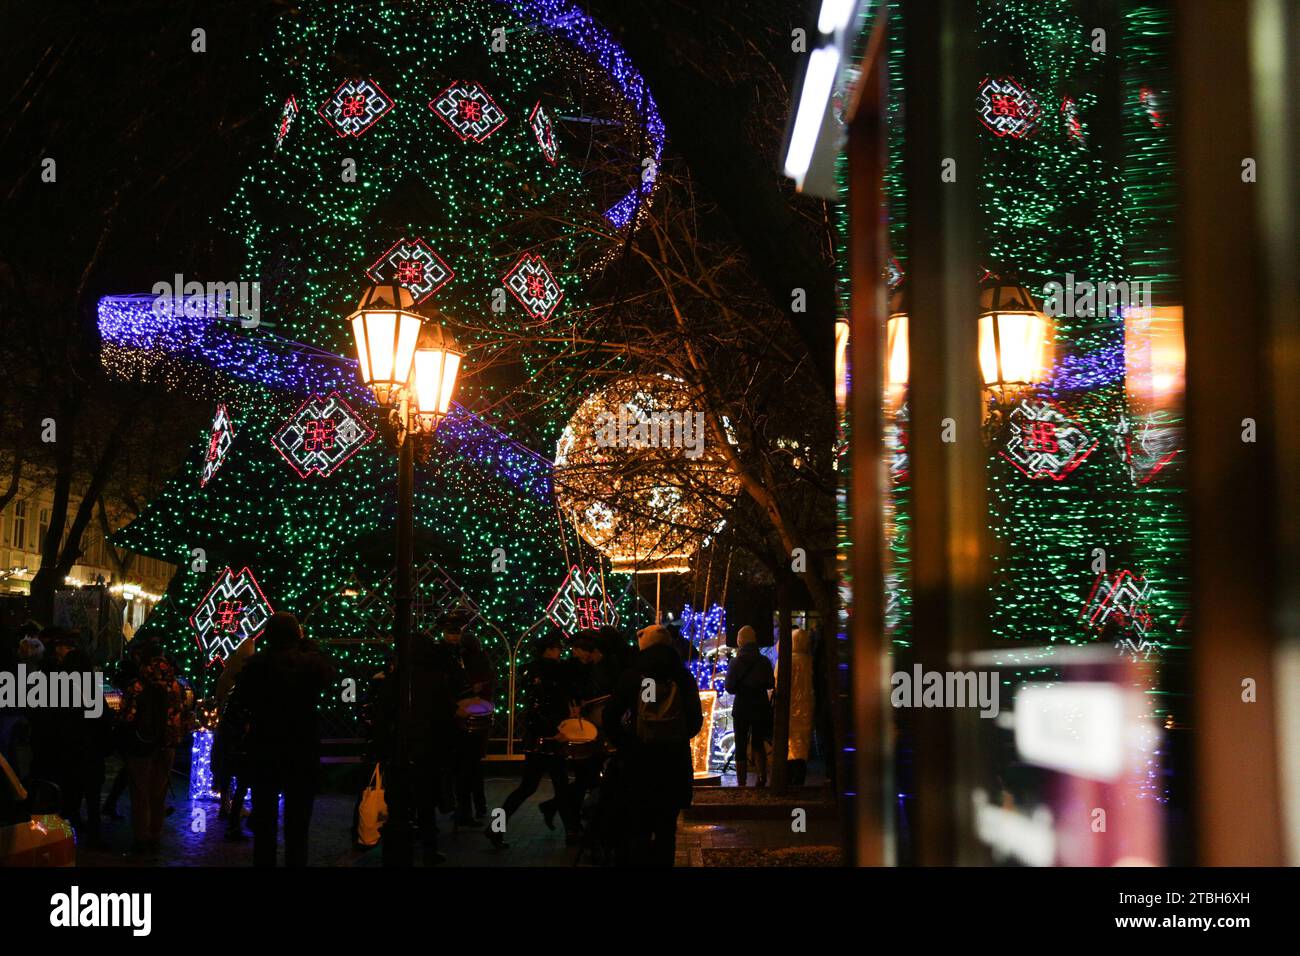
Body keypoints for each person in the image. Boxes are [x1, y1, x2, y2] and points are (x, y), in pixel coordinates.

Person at [236, 612, 336, 867]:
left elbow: (242, 701)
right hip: (302, 748)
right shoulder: (311, 664)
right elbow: (327, 673)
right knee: (298, 826)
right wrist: (308, 646)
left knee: (265, 826)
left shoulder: (257, 665)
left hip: (265, 748)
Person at [604, 624, 703, 867]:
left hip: (638, 764)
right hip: (673, 763)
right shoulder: (682, 676)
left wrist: (626, 742)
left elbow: (610, 716)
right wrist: (676, 736)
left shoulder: (633, 675)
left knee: (638, 828)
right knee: (667, 831)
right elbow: (696, 720)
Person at [486, 634, 578, 848]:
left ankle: (496, 827)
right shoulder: (553, 671)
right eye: (556, 648)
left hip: (537, 735)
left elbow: (535, 705)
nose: (560, 652)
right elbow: (543, 704)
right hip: (550, 735)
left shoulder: (533, 670)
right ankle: (572, 831)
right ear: (548, 650)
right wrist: (557, 727)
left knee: (528, 787)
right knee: (558, 785)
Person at [119, 640, 187, 855]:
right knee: (159, 792)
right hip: (167, 742)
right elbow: (181, 712)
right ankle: (155, 836)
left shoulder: (138, 685)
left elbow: (128, 715)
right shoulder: (176, 685)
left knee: (140, 791)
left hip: (142, 743)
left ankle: (141, 837)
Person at [440, 614, 495, 827]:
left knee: (463, 767)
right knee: (471, 766)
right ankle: (475, 808)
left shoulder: (455, 659)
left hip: (461, 717)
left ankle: (464, 809)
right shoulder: (476, 660)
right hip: (472, 716)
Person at [213, 636, 256, 840]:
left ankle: (226, 806)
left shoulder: (227, 674)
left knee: (227, 771)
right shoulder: (242, 682)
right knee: (240, 775)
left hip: (227, 732)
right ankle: (233, 816)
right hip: (237, 736)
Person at [725, 625, 774, 787]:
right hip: (760, 706)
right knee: (758, 742)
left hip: (742, 707)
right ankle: (762, 777)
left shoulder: (735, 662)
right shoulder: (764, 661)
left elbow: (729, 688)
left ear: (740, 641)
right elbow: (770, 684)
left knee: (740, 743)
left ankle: (741, 781)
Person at [777, 628, 815, 786]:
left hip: (787, 706)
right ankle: (800, 775)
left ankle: (788, 775)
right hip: (806, 707)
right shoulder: (809, 661)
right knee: (802, 742)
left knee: (788, 741)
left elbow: (776, 682)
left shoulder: (785, 661)